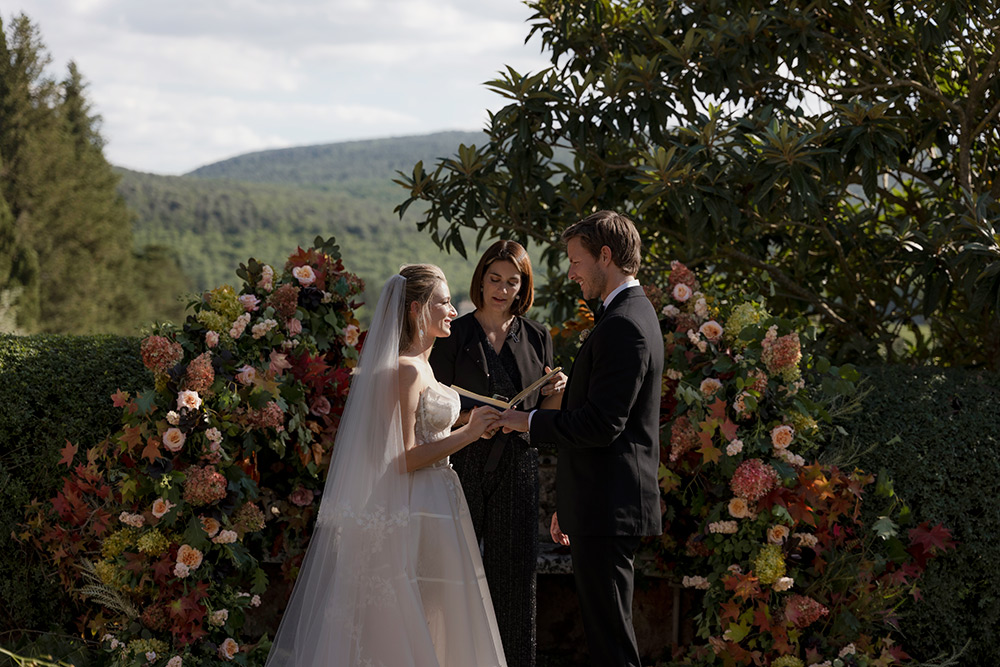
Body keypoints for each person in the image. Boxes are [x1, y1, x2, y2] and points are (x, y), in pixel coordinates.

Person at [265, 264, 508, 667]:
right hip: (413, 503)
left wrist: (470, 425)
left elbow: (426, 432)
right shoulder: (407, 370)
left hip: (438, 501)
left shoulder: (422, 364)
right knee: (411, 615)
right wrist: (466, 436)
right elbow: (401, 458)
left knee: (433, 611)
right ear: (416, 309)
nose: (452, 311)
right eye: (444, 303)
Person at [497, 211, 664, 667]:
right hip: (598, 504)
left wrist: (524, 422)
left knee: (612, 644)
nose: (570, 272)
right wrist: (568, 504)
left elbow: (602, 425)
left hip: (609, 509)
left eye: (575, 260)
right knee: (606, 634)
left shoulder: (624, 325)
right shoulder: (629, 315)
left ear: (605, 256)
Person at [429, 240, 566, 667]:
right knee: (450, 576)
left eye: (513, 281)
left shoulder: (539, 337)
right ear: (481, 279)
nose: (502, 289)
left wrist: (555, 395)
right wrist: (473, 421)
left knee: (514, 583)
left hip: (518, 469)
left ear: (523, 286)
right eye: (494, 279)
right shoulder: (454, 335)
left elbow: (545, 423)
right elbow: (433, 411)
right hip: (462, 462)